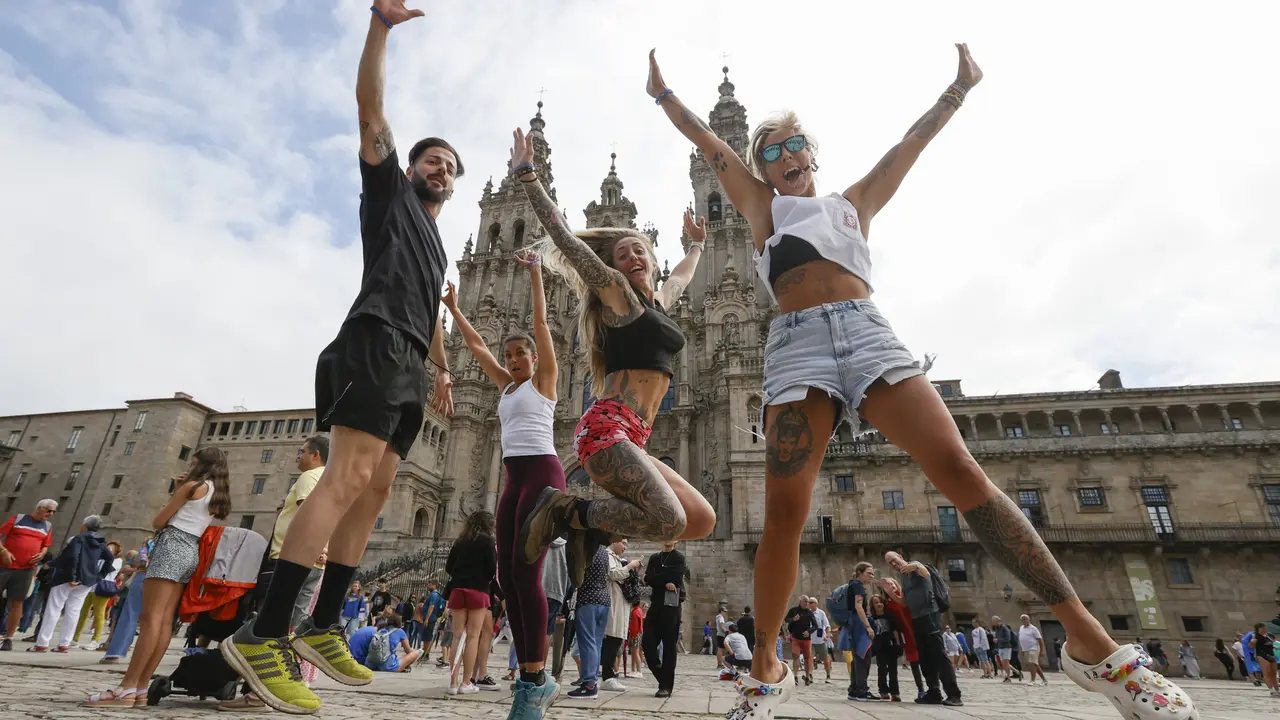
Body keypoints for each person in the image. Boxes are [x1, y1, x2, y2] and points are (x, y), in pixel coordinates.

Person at [646, 44, 1196, 720]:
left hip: (867, 335)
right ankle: (764, 670)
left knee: (961, 470)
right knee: (784, 511)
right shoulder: (762, 210)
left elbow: (911, 144)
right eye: (769, 152)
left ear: (811, 155)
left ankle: (1093, 645)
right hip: (795, 346)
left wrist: (957, 90)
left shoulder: (852, 203)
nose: (784, 155)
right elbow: (709, 144)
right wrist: (664, 97)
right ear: (758, 168)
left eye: (794, 145)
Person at [222, 3, 458, 714]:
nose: (441, 170)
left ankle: (324, 623)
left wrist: (443, 368)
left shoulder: (436, 241)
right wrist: (379, 27)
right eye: (432, 159)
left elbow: (430, 307)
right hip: (374, 339)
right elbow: (370, 108)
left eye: (450, 168)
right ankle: (266, 633)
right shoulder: (389, 196)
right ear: (408, 165)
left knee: (378, 488)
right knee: (347, 476)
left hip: (410, 357)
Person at [510, 126, 715, 579]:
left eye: (640, 250)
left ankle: (588, 527)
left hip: (636, 436)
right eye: (622, 254)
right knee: (670, 521)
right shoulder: (615, 292)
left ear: (652, 259)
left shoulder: (658, 303)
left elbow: (680, 277)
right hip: (606, 428)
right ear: (612, 266)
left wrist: (698, 244)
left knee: (700, 520)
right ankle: (566, 511)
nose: (634, 258)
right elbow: (567, 240)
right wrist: (528, 176)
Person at [443, 245, 564, 715]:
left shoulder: (545, 380)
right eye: (509, 354)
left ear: (534, 358)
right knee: (507, 578)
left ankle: (534, 676)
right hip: (514, 478)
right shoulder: (506, 386)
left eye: (520, 354)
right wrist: (456, 310)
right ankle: (533, 677)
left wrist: (535, 273)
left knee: (527, 575)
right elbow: (477, 347)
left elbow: (542, 324)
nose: (513, 359)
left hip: (543, 472)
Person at [85, 449, 232, 707]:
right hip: (190, 550)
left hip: (171, 544)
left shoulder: (192, 487)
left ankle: (127, 687)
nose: (190, 467)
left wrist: (177, 490)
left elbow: (159, 521)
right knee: (164, 621)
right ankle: (140, 687)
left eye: (193, 463)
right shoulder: (216, 491)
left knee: (150, 618)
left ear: (202, 465)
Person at [882, 553, 960, 706]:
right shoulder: (903, 578)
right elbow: (904, 602)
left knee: (938, 654)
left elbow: (925, 573)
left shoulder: (916, 566)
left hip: (930, 615)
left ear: (900, 556)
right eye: (890, 563)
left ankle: (954, 694)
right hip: (916, 618)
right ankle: (934, 692)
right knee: (924, 656)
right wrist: (890, 593)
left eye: (894, 560)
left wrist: (916, 565)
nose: (893, 564)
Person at [32, 515, 116, 653]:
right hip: (87, 580)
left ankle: (42, 643)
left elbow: (71, 557)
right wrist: (99, 575)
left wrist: (68, 574)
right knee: (74, 611)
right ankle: (64, 644)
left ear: (85, 526)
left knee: (54, 609)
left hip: (66, 577)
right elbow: (110, 558)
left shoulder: (79, 538)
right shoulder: (100, 542)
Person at [443, 511, 497, 695]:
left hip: (458, 589)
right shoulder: (488, 542)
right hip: (478, 590)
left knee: (457, 635)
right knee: (473, 636)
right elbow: (492, 569)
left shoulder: (460, 541)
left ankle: (453, 683)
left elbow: (449, 567)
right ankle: (466, 682)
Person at [0, 498, 56, 651]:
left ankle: (8, 638)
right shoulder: (18, 519)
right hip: (5, 566)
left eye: (53, 512)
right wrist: (3, 551)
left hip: (26, 569)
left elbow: (45, 545)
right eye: (48, 510)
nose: (51, 514)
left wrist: (42, 554)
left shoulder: (47, 526)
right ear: (39, 508)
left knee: (17, 602)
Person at [643, 540, 686, 697]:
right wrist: (663, 581)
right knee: (647, 643)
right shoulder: (655, 558)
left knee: (669, 647)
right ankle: (663, 677)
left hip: (671, 608)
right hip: (656, 606)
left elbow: (675, 577)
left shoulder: (679, 558)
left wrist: (656, 578)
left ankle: (666, 686)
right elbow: (647, 578)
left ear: (676, 540)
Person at [567, 545, 611, 700]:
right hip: (604, 599)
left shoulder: (585, 550)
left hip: (588, 599)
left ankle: (589, 684)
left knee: (587, 643)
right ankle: (592, 681)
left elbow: (576, 578)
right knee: (596, 644)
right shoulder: (604, 552)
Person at [100, 537, 152, 664]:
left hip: (144, 576)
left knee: (130, 615)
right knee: (157, 619)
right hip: (168, 581)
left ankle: (115, 653)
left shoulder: (150, 541)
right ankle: (147, 660)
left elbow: (143, 562)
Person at [601, 539, 639, 692]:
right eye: (623, 543)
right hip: (613, 601)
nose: (625, 547)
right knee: (613, 638)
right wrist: (629, 566)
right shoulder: (607, 555)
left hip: (620, 602)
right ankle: (607, 675)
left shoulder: (617, 558)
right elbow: (613, 574)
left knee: (617, 639)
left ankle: (609, 674)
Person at [877, 577, 923, 698]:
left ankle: (932, 688)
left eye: (892, 583)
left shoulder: (906, 596)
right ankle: (921, 690)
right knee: (914, 663)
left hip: (918, 631)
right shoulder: (888, 604)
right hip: (907, 635)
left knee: (925, 662)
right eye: (887, 585)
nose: (891, 585)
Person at [72, 541, 123, 648]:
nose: (108, 548)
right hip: (91, 587)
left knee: (99, 614)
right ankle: (74, 638)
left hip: (103, 588)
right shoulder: (99, 558)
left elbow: (108, 569)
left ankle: (95, 640)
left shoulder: (117, 560)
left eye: (112, 548)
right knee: (83, 613)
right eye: (108, 547)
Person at [845, 563, 877, 701]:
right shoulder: (858, 586)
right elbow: (859, 606)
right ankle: (862, 691)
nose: (872, 576)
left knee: (858, 658)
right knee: (864, 656)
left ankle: (854, 690)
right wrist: (868, 626)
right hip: (859, 623)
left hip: (853, 622)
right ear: (860, 572)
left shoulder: (852, 584)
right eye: (869, 573)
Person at [868, 595, 901, 702]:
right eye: (876, 602)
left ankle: (895, 692)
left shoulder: (890, 616)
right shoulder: (871, 618)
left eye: (880, 602)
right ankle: (883, 691)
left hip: (890, 643)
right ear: (873, 605)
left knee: (893, 669)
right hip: (879, 645)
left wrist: (898, 644)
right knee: (882, 668)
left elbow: (895, 630)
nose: (879, 604)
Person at [785, 596, 817, 686]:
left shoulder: (809, 612)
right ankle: (795, 676)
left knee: (807, 658)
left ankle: (807, 676)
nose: (806, 603)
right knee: (795, 656)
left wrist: (809, 631)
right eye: (805, 601)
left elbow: (815, 625)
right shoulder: (793, 610)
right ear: (800, 601)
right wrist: (793, 619)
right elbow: (786, 619)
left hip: (806, 639)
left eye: (807, 602)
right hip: (796, 638)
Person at [808, 597, 833, 683]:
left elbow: (827, 625)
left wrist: (827, 634)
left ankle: (828, 675)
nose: (809, 604)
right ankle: (810, 675)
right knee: (810, 658)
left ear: (815, 604)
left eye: (811, 602)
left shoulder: (821, 613)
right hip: (810, 640)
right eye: (808, 602)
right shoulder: (808, 613)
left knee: (825, 659)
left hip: (820, 640)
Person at [1017, 615, 1048, 685]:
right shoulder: (1021, 628)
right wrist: (1022, 649)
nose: (1025, 621)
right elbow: (1022, 639)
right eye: (1023, 619)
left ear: (1029, 620)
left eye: (1026, 619)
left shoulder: (1033, 628)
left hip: (1034, 648)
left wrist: (1042, 650)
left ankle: (1032, 680)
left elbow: (1040, 639)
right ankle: (1044, 680)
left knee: (1032, 663)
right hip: (1026, 649)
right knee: (1035, 664)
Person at [1251, 623, 1278, 696]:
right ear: (1259, 629)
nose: (1266, 629)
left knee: (1273, 674)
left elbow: (1268, 643)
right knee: (1267, 673)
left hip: (1271, 655)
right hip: (1262, 655)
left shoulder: (1267, 635)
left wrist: (1273, 646)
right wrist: (1252, 643)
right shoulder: (1256, 636)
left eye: (1266, 628)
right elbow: (1252, 645)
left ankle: (1277, 690)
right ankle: (1271, 691)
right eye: (1264, 628)